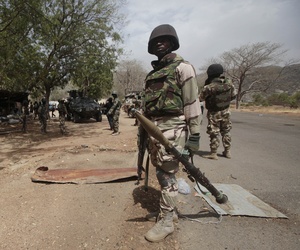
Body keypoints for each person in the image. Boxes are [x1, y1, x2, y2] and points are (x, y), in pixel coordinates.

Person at [141, 24, 201, 242]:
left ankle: (167, 222)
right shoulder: (152, 74)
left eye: (164, 39)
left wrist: (194, 136)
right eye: (155, 40)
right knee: (161, 172)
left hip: (173, 129)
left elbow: (192, 102)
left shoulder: (183, 68)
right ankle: (168, 212)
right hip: (154, 130)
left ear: (173, 43)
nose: (159, 43)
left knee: (167, 176)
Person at [200, 64, 237, 160]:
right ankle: (227, 151)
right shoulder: (229, 84)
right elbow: (233, 96)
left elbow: (200, 98)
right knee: (226, 131)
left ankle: (213, 153)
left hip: (214, 113)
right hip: (226, 111)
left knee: (214, 133)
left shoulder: (209, 87)